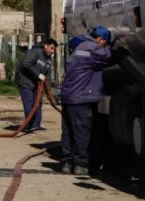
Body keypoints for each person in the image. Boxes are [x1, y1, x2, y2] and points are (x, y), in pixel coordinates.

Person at [59, 26, 113, 175]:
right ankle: (81, 165)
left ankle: (66, 163)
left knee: (68, 132)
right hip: (81, 97)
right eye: (104, 42)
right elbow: (108, 56)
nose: (104, 45)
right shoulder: (92, 48)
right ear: (100, 40)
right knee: (82, 132)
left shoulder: (81, 47)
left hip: (69, 95)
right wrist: (114, 47)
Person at [15, 38, 58, 133]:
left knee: (38, 103)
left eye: (54, 49)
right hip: (25, 81)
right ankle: (28, 125)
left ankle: (36, 125)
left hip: (36, 83)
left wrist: (49, 89)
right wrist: (38, 74)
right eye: (51, 48)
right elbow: (25, 64)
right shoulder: (34, 52)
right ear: (46, 46)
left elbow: (47, 74)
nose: (52, 51)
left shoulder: (48, 59)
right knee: (29, 102)